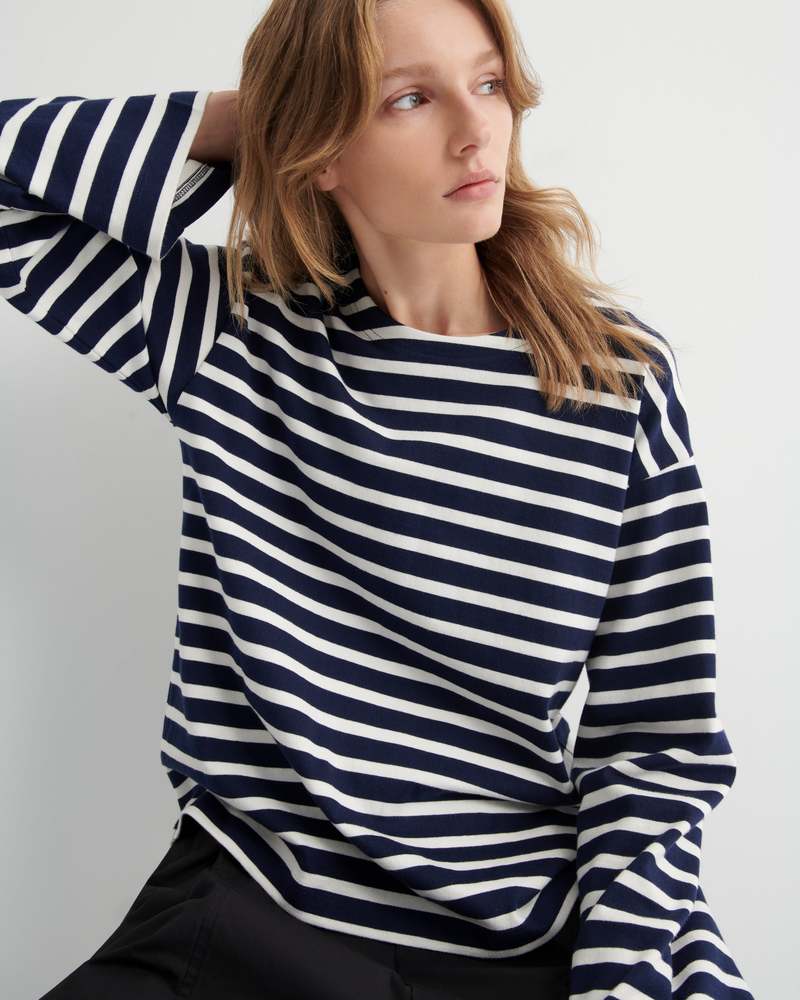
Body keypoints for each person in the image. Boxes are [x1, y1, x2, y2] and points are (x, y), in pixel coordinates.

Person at [0, 0, 755, 998]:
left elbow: (654, 742)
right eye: (409, 99)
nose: (476, 130)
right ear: (320, 153)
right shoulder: (229, 333)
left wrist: (615, 975)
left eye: (488, 82)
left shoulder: (612, 384)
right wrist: (256, 120)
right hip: (255, 911)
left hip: (519, 943)